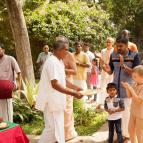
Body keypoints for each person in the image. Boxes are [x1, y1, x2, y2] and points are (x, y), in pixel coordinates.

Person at [36, 41, 83, 143]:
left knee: (58, 129)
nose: (68, 51)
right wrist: (73, 93)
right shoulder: (52, 62)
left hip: (57, 101)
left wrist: (75, 88)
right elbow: (55, 84)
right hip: (51, 101)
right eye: (66, 49)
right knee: (52, 130)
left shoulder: (59, 61)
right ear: (58, 50)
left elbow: (63, 79)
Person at [103, 36, 140, 142]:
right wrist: (107, 70)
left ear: (127, 45)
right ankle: (119, 135)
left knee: (127, 114)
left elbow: (136, 73)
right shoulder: (113, 55)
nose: (118, 48)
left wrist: (124, 67)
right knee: (115, 114)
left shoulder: (134, 55)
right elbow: (111, 71)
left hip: (128, 90)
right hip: (115, 91)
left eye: (121, 46)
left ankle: (127, 135)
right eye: (117, 45)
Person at [56, 35, 78, 141]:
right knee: (58, 109)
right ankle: (57, 133)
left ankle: (67, 134)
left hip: (68, 82)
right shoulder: (53, 56)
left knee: (67, 109)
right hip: (56, 84)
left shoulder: (69, 55)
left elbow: (74, 71)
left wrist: (61, 70)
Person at [122, 65, 143, 143]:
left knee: (139, 133)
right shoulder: (135, 84)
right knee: (131, 130)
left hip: (140, 114)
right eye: (133, 77)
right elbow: (129, 95)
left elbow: (138, 100)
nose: (133, 79)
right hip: (133, 112)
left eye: (135, 77)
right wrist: (127, 88)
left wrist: (130, 88)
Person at [0, 43, 21, 122]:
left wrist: (18, 85)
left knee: (7, 107)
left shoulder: (10, 59)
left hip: (8, 85)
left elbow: (19, 72)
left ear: (3, 50)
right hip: (0, 86)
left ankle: (9, 123)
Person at [97, 37, 114, 105]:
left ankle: (110, 102)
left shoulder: (114, 51)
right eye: (107, 42)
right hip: (104, 71)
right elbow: (101, 62)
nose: (108, 43)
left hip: (111, 72)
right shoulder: (103, 51)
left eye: (109, 42)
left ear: (112, 43)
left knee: (110, 85)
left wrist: (108, 70)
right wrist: (103, 68)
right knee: (103, 86)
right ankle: (102, 103)